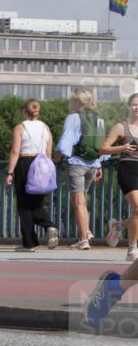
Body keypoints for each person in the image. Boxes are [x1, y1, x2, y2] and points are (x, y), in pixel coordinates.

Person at [53, 87, 106, 250]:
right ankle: (85, 233)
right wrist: (99, 165)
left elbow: (65, 142)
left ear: (76, 101)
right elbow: (101, 145)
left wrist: (56, 157)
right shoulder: (99, 120)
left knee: (78, 202)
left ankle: (84, 238)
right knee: (82, 201)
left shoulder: (73, 118)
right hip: (92, 165)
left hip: (76, 163)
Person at [4, 99, 59, 252]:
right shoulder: (46, 128)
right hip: (42, 164)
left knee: (23, 205)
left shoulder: (20, 128)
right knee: (36, 203)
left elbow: (15, 151)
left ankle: (29, 243)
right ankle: (49, 226)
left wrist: (10, 172)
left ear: (24, 111)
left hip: (25, 164)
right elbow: (49, 152)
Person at [99, 93, 138, 261]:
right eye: (134, 104)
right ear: (129, 106)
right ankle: (132, 249)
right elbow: (103, 148)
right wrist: (122, 148)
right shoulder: (121, 127)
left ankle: (118, 225)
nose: (137, 107)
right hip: (128, 169)